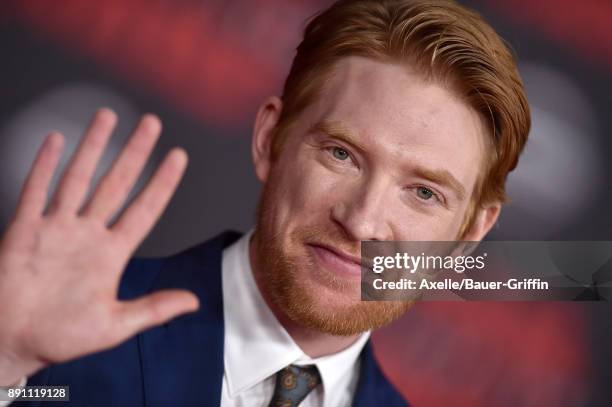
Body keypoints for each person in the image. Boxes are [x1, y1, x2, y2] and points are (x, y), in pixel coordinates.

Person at [0, 0, 530, 405]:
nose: (362, 220)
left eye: (423, 193)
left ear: (468, 235)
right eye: (342, 154)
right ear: (269, 139)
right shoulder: (50, 339)